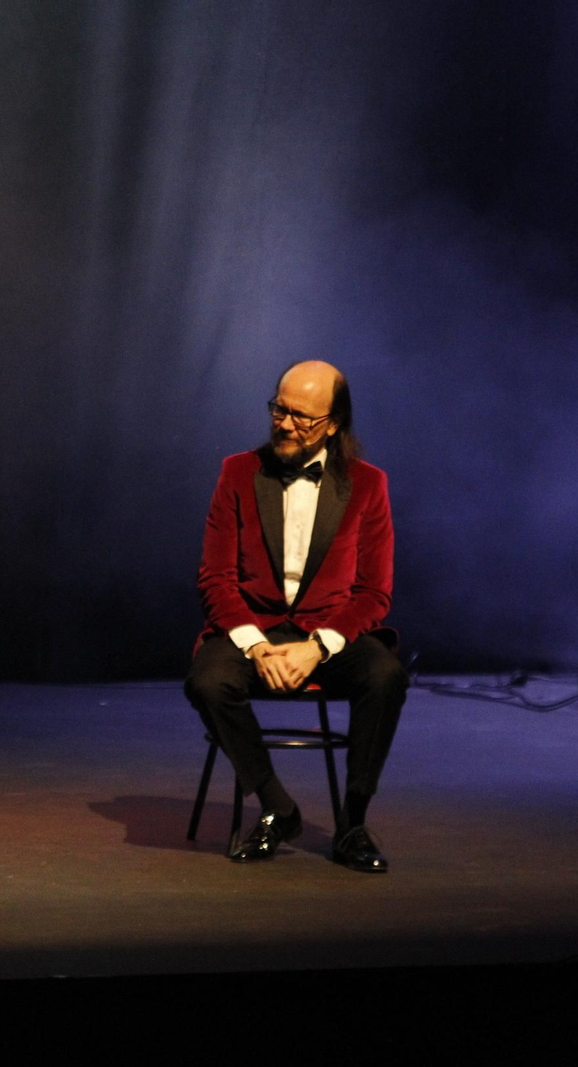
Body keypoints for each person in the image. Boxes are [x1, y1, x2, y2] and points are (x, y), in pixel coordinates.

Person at [184, 360, 408, 873]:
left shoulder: (369, 484)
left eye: (302, 417)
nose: (285, 423)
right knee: (208, 681)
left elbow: (374, 592)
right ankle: (277, 806)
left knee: (385, 677)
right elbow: (215, 578)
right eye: (279, 409)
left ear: (333, 423)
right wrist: (256, 646)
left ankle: (352, 823)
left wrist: (317, 647)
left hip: (329, 632)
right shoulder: (238, 471)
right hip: (255, 627)